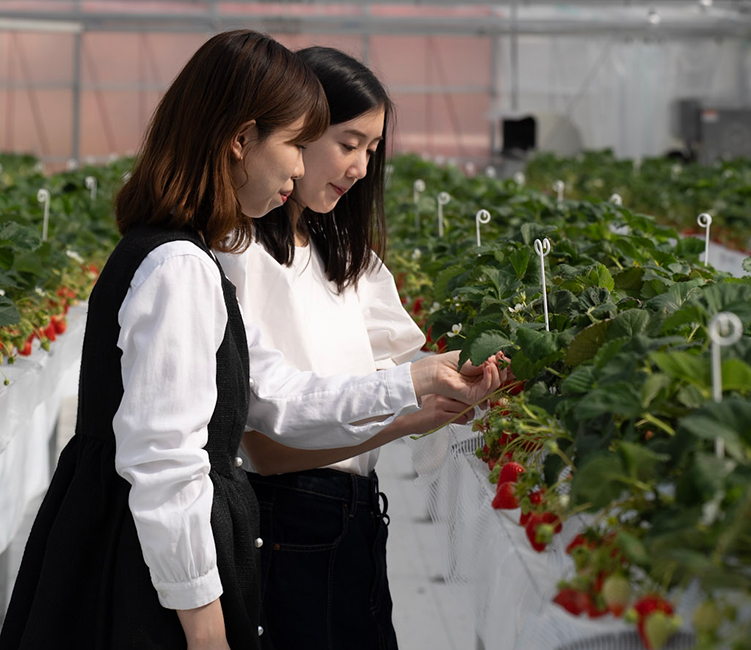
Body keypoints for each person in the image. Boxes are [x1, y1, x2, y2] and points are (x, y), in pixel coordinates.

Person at [0, 31, 500, 650]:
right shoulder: (183, 266)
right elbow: (167, 464)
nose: (299, 164)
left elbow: (276, 395)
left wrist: (419, 382)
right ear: (241, 140)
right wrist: (205, 621)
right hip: (152, 573)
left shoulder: (177, 255)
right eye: (296, 143)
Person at [215, 46, 476, 649]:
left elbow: (383, 379)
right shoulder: (242, 256)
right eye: (349, 142)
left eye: (373, 149)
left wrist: (443, 392)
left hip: (352, 516)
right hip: (288, 520)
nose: (360, 166)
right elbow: (265, 446)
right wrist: (410, 409)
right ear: (295, 129)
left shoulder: (348, 261)